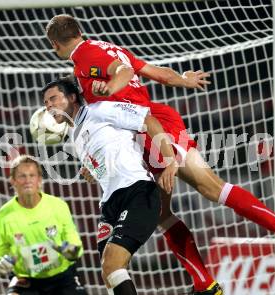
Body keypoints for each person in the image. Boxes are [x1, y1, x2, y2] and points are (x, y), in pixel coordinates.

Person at [46, 14, 275, 293]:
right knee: (161, 212)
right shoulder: (107, 47)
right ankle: (204, 283)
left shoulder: (84, 56)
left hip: (152, 124)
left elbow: (125, 73)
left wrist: (111, 87)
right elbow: (155, 73)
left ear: (55, 43)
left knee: (209, 187)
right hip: (140, 128)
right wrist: (182, 80)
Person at [42, 78, 183, 295]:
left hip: (137, 191)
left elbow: (148, 120)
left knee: (112, 264)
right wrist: (92, 170)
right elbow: (104, 158)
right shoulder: (74, 135)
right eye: (45, 103)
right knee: (109, 273)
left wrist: (170, 160)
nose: (48, 106)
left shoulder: (100, 109)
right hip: (110, 203)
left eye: (53, 99)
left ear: (71, 97)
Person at [0, 155, 87, 295]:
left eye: (32, 175)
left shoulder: (58, 206)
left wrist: (71, 251)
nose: (27, 181)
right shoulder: (3, 215)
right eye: (22, 176)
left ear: (39, 180)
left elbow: (75, 243)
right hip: (25, 281)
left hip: (62, 278)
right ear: (13, 181)